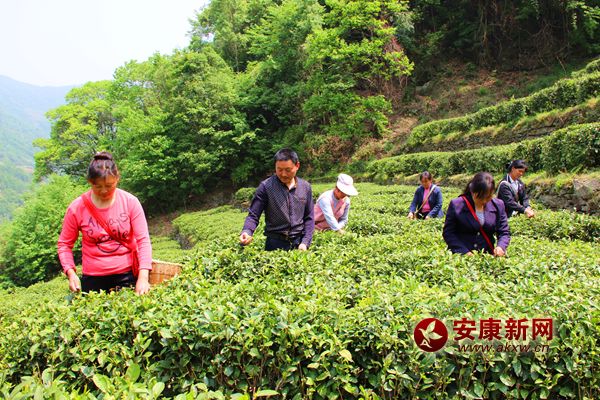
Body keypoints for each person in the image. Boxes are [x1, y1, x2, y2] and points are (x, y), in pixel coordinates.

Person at [58, 152, 152, 294]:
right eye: (97, 186)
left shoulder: (130, 202)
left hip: (127, 275)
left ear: (117, 178)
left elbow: (143, 240)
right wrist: (70, 273)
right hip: (93, 279)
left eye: (109, 185)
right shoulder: (77, 208)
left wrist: (143, 277)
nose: (104, 191)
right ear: (90, 182)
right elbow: (64, 244)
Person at [240, 148, 314, 251]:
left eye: (288, 170)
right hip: (274, 243)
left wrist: (305, 242)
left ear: (297, 166)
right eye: (279, 169)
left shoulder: (305, 187)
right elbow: (253, 215)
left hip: (299, 242)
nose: (283, 174)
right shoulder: (266, 187)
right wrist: (247, 231)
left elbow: (309, 217)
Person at [443, 172, 510, 256]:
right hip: (462, 257)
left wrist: (501, 247)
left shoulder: (498, 205)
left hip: (487, 256)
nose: (484, 201)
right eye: (481, 197)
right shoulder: (457, 204)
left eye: (488, 197)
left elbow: (504, 232)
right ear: (472, 191)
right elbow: (448, 233)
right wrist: (464, 252)